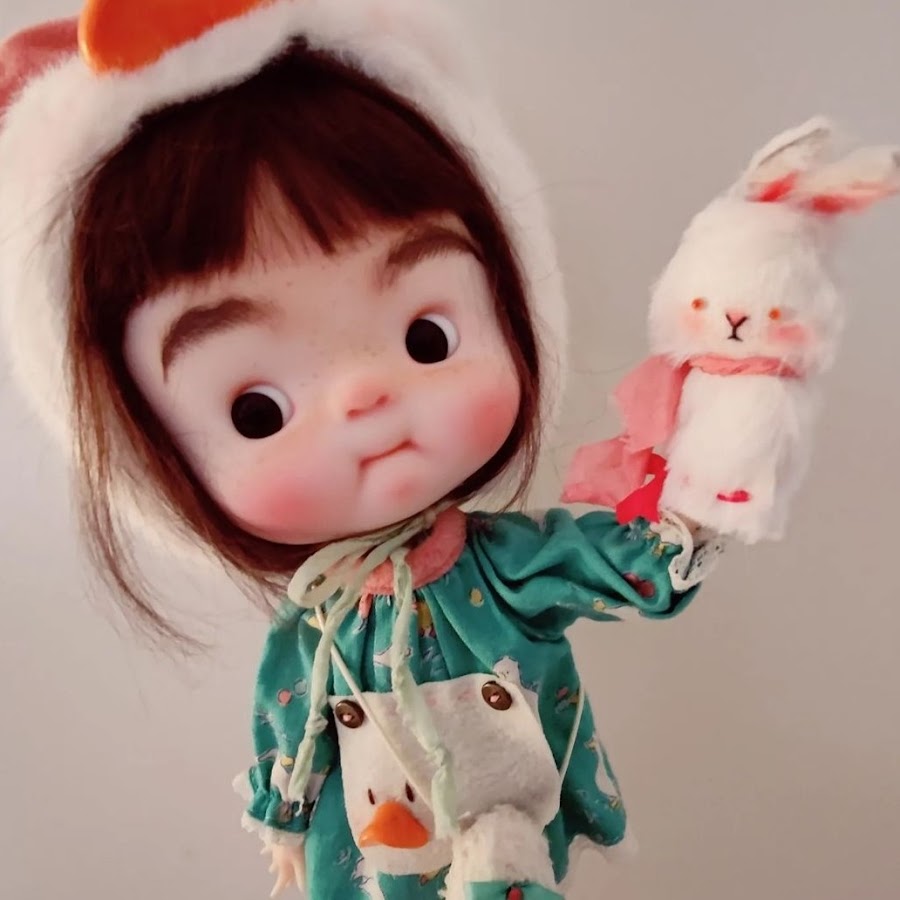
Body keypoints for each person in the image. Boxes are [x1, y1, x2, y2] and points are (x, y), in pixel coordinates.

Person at [9, 1, 890, 898]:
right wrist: (285, 827)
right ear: (160, 465)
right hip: (364, 859)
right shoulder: (315, 625)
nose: (366, 397)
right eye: (258, 410)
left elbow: (633, 564)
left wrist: (711, 477)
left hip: (509, 847)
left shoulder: (508, 568)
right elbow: (291, 730)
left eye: (426, 339)